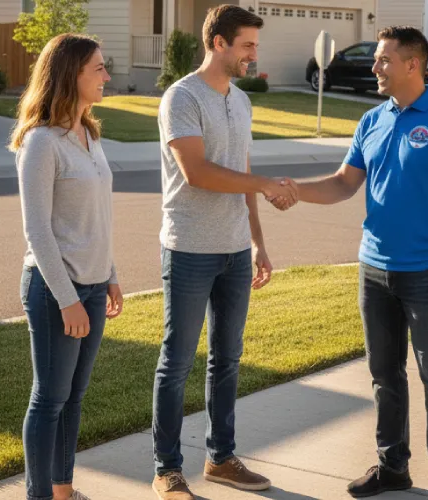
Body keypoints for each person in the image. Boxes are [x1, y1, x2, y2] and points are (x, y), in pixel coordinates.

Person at [283, 25, 428, 500]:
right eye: (376, 59)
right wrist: (297, 191)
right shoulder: (372, 120)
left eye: (383, 60)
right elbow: (343, 183)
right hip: (373, 269)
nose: (375, 67)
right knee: (383, 374)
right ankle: (392, 465)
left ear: (413, 64)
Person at [150, 5, 297, 500]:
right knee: (177, 362)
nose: (254, 53)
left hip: (235, 251)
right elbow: (199, 173)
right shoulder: (181, 97)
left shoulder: (240, 100)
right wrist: (263, 182)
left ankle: (221, 458)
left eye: (255, 44)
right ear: (218, 43)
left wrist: (258, 242)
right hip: (190, 249)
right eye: (247, 45)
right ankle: (167, 469)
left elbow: (240, 173)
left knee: (227, 359)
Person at [10, 33, 124, 500]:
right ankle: (39, 495)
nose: (106, 75)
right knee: (49, 399)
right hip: (56, 288)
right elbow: (37, 231)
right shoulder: (41, 142)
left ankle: (63, 491)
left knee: (74, 398)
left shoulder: (89, 135)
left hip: (94, 287)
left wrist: (111, 274)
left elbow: (96, 218)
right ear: (70, 74)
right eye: (98, 67)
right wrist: (69, 299)